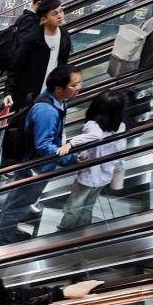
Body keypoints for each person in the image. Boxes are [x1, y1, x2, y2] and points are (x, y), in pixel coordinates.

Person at [0, 65, 82, 246]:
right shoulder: (47, 111)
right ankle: (4, 239)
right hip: (34, 165)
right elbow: (43, 145)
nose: (79, 87)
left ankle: (9, 231)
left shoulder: (58, 102)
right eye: (74, 85)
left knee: (21, 200)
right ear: (58, 88)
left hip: (40, 164)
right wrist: (69, 159)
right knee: (17, 202)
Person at [56, 91, 127, 232]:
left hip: (87, 176)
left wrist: (70, 144)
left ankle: (63, 231)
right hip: (104, 176)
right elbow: (120, 150)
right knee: (88, 205)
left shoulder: (93, 125)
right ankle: (82, 230)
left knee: (74, 206)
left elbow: (95, 136)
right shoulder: (121, 126)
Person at [4, 0, 71, 111]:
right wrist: (8, 92)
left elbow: (63, 65)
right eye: (55, 13)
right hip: (29, 96)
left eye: (61, 11)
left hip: (52, 95)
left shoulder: (64, 36)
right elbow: (16, 66)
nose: (60, 16)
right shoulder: (32, 40)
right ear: (44, 19)